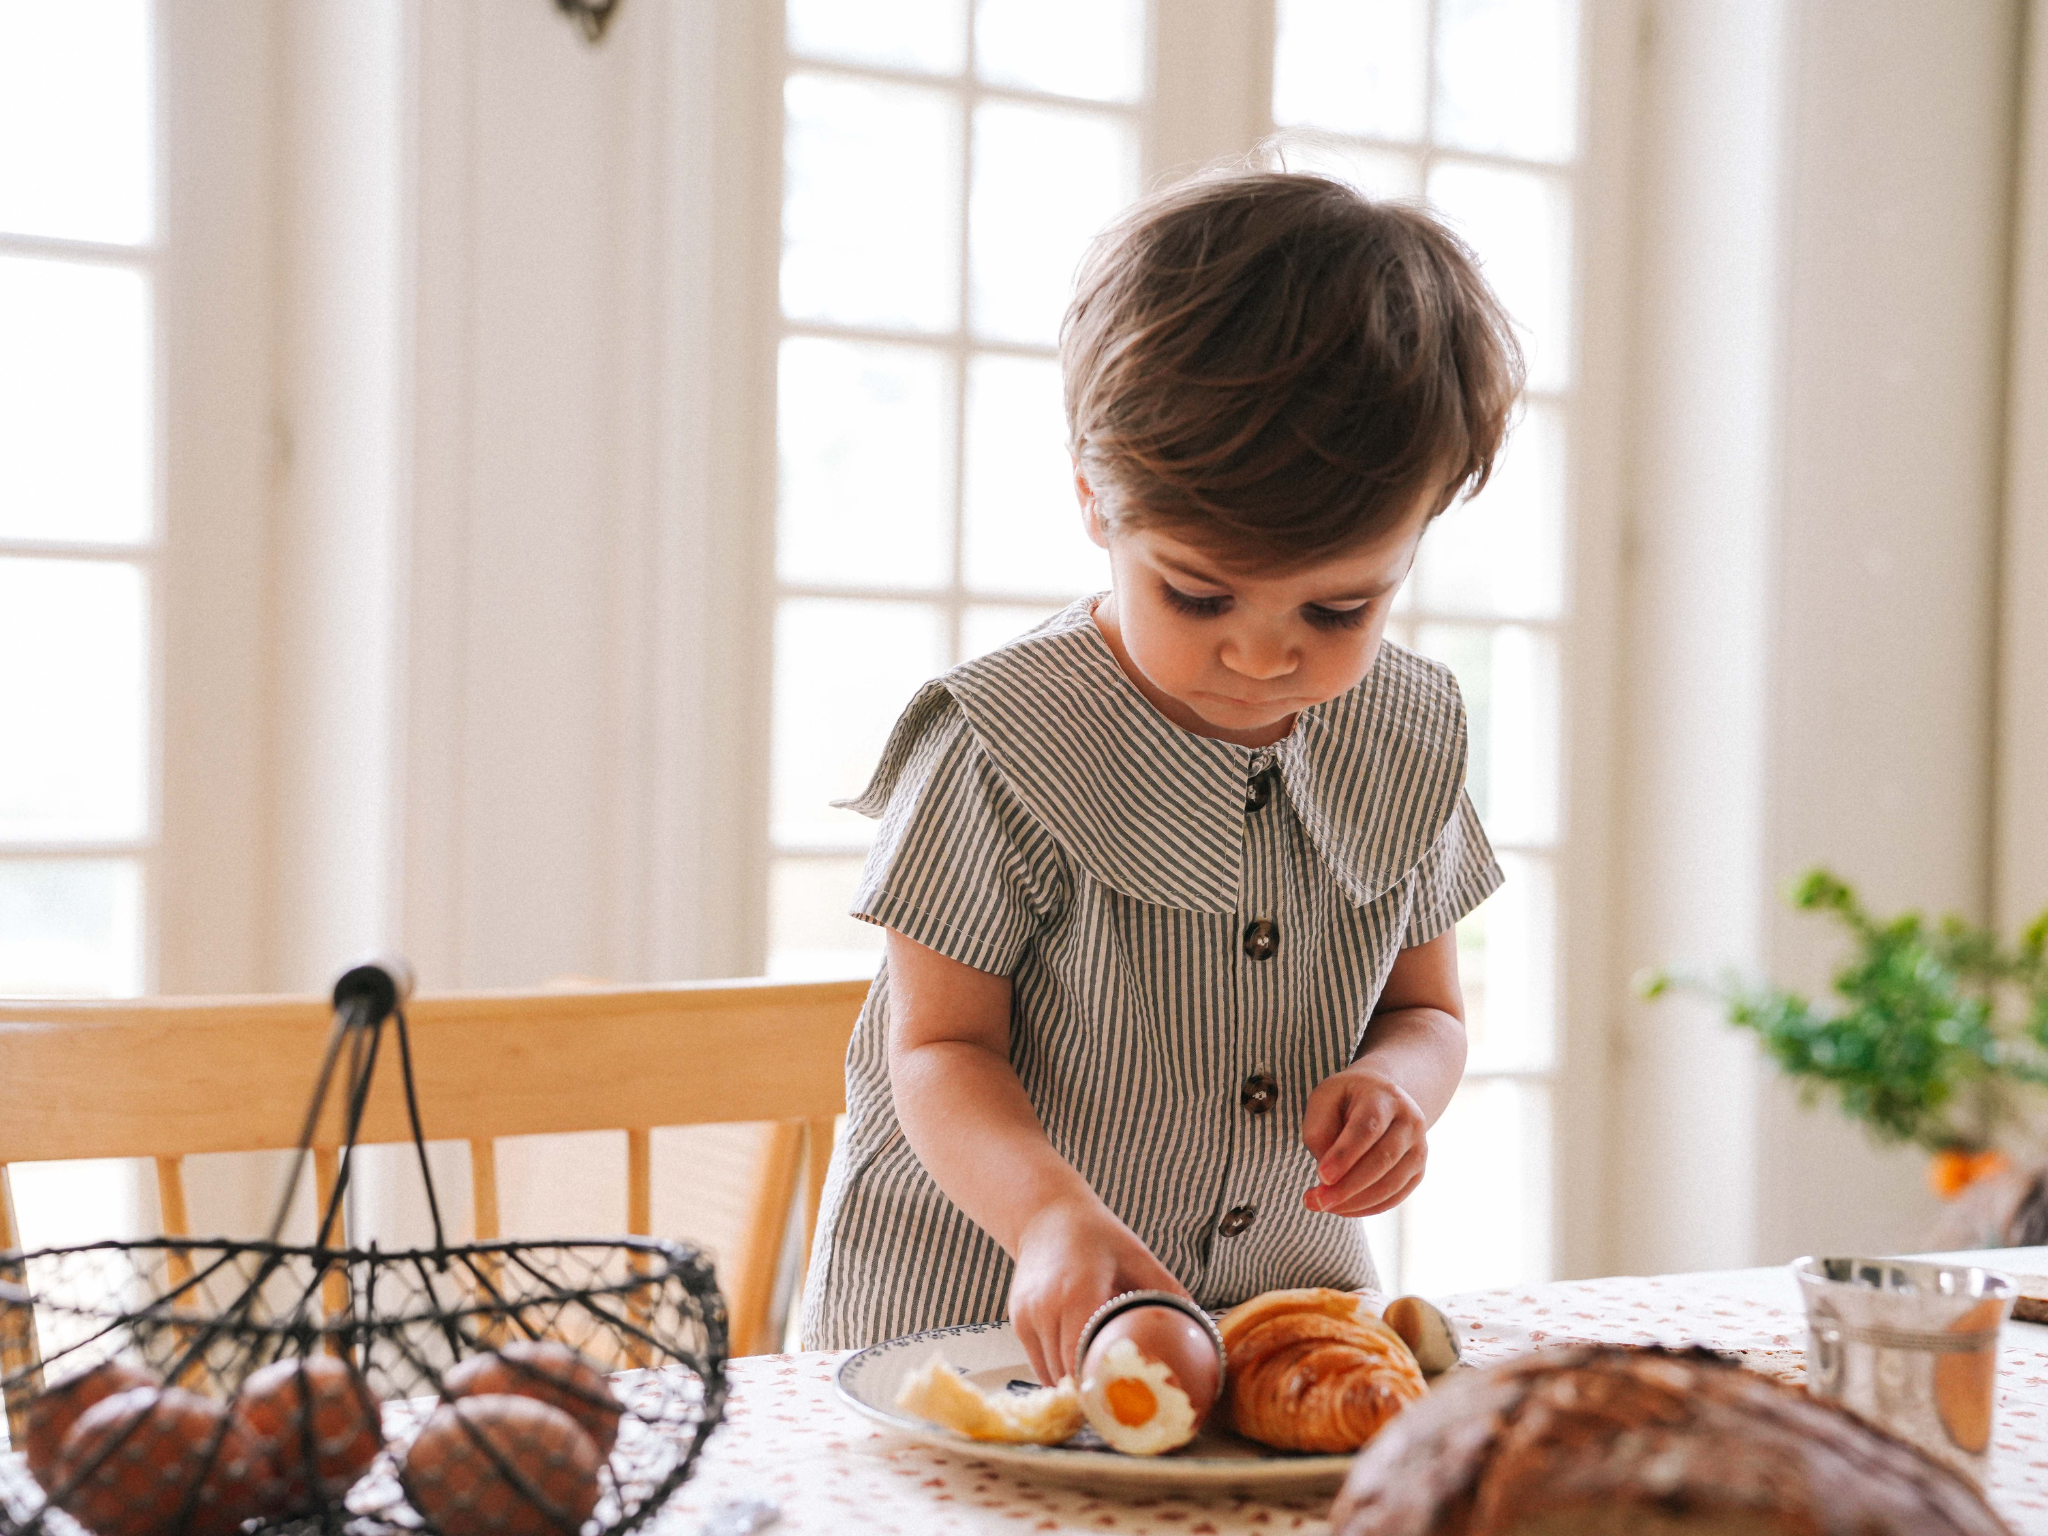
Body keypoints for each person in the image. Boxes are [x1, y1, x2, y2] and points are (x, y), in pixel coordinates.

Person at [798, 169, 1524, 1387]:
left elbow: (1429, 1011)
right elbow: (935, 1053)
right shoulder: (1002, 743)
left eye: (1340, 607)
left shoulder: (1405, 733)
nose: (1260, 652)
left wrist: (1401, 1087)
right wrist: (1044, 1217)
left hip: (1274, 1330)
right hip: (970, 1328)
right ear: (1095, 503)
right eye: (1196, 593)